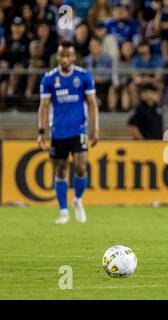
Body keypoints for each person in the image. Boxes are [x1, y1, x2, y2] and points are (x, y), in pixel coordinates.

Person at [37, 41, 99, 224]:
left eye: (69, 56)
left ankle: (78, 200)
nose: (65, 59)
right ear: (58, 56)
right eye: (62, 55)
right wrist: (42, 131)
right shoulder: (49, 79)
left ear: (73, 57)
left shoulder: (83, 76)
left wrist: (95, 129)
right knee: (60, 170)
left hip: (79, 129)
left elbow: (92, 103)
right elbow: (44, 106)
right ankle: (63, 211)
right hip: (58, 132)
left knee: (81, 167)